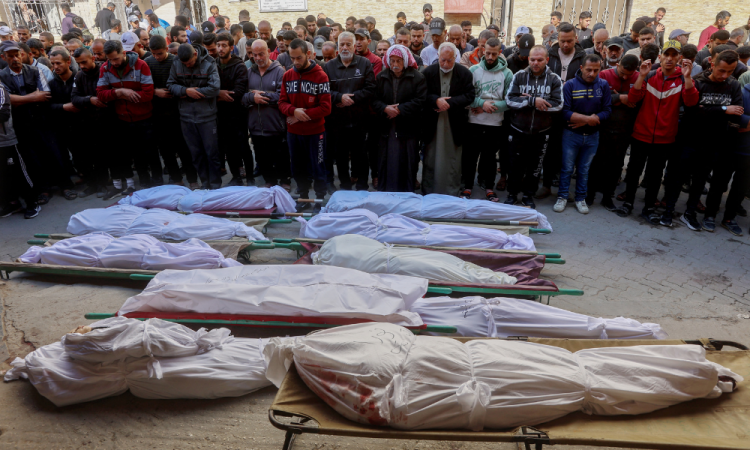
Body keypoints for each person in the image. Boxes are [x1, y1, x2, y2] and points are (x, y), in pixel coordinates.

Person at [614, 40, 698, 222]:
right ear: (660, 57)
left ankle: (649, 207)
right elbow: (633, 98)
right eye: (666, 55)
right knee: (634, 171)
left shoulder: (683, 79)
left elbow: (691, 103)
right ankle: (628, 202)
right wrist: (641, 76)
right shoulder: (649, 75)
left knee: (655, 175)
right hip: (640, 134)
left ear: (679, 58)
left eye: (673, 55)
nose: (669, 58)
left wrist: (689, 77)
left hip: (665, 138)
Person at [660, 49, 743, 230]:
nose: (725, 75)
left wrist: (711, 110)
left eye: (730, 71)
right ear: (712, 65)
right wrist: (722, 110)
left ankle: (689, 214)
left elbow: (737, 112)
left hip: (714, 142)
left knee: (700, 180)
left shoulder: (734, 85)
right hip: (688, 139)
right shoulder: (697, 81)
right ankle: (668, 212)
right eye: (722, 70)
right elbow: (692, 110)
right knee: (678, 177)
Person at [97, 39, 162, 196]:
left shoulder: (141, 65)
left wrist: (116, 93)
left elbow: (147, 94)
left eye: (116, 58)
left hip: (145, 118)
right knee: (136, 153)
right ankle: (144, 180)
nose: (114, 62)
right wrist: (120, 92)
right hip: (123, 119)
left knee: (151, 152)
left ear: (123, 53)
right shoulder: (105, 68)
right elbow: (101, 94)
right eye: (110, 59)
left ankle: (158, 181)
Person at [504, 45, 563, 209]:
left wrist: (534, 101)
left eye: (540, 59)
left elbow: (559, 105)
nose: (535, 63)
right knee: (515, 165)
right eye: (532, 59)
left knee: (535, 167)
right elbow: (509, 100)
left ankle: (528, 196)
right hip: (518, 130)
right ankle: (512, 194)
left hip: (541, 132)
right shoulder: (519, 76)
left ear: (547, 60)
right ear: (528, 59)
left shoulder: (554, 79)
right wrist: (532, 101)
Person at [554, 53, 611, 214]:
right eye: (588, 70)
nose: (591, 74)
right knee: (566, 168)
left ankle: (580, 198)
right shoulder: (570, 85)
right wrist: (588, 119)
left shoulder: (603, 85)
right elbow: (564, 112)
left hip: (593, 136)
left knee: (584, 169)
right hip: (571, 134)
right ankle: (563, 196)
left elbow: (607, 110)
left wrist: (590, 120)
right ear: (581, 68)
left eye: (595, 70)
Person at [278, 38, 332, 203]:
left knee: (318, 168)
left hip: (315, 133)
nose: (295, 62)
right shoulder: (288, 75)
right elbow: (281, 102)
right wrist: (293, 111)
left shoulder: (321, 76)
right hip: (294, 133)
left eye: (298, 58)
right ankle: (303, 198)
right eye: (292, 58)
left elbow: (326, 108)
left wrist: (301, 114)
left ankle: (320, 200)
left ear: (308, 54)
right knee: (297, 168)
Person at [461, 37, 514, 201]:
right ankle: (467, 187)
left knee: (490, 158)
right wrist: (481, 103)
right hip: (473, 122)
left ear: (500, 52)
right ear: (483, 50)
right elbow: (467, 96)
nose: (490, 57)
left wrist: (492, 107)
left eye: (494, 54)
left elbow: (510, 100)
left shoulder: (507, 73)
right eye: (488, 53)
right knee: (470, 157)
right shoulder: (473, 70)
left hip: (495, 124)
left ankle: (489, 187)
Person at [323, 31, 376, 192]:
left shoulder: (365, 64)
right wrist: (339, 97)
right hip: (337, 121)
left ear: (354, 46)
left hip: (360, 119)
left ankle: (362, 186)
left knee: (361, 155)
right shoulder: (328, 67)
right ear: (337, 46)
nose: (345, 48)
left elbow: (371, 88)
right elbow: (324, 91)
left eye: (348, 44)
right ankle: (345, 186)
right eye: (342, 45)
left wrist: (351, 99)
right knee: (341, 156)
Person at [538, 23, 586, 199]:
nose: (565, 45)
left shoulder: (583, 57)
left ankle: (565, 191)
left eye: (569, 41)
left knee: (569, 150)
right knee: (549, 149)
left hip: (573, 110)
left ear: (576, 39)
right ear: (557, 39)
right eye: (562, 41)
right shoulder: (549, 54)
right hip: (551, 109)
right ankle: (546, 185)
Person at [586, 54, 639, 210]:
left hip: (624, 130)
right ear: (618, 65)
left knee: (616, 166)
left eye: (628, 75)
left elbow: (636, 101)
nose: (624, 76)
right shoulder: (604, 75)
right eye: (622, 72)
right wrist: (620, 98)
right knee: (596, 163)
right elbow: (597, 99)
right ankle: (589, 195)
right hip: (603, 127)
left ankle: (608, 197)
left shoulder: (638, 78)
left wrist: (615, 98)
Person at [144, 36, 198, 189]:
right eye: (153, 53)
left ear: (166, 49)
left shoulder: (176, 61)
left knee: (184, 149)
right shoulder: (147, 63)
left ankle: (193, 180)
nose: (157, 57)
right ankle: (176, 181)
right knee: (166, 151)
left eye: (160, 53)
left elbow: (186, 84)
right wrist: (155, 92)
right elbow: (144, 87)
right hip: (158, 115)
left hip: (178, 114)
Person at [421, 42, 474, 196]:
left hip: (454, 123)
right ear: (438, 57)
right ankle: (429, 190)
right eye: (442, 60)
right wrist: (436, 100)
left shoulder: (464, 73)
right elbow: (422, 95)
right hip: (433, 122)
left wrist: (450, 103)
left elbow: (470, 96)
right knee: (431, 158)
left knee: (452, 160)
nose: (445, 64)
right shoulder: (428, 72)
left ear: (455, 57)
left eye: (449, 60)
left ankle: (451, 191)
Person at [372, 44, 426, 192]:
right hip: (386, 126)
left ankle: (406, 192)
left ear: (405, 61)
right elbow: (374, 100)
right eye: (392, 61)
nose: (395, 65)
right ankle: (386, 191)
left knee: (408, 160)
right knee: (386, 159)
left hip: (408, 127)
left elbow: (420, 101)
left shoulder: (417, 77)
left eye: (398, 61)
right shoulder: (381, 77)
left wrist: (400, 109)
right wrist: (385, 108)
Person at [167, 43, 221, 189]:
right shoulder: (176, 62)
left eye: (190, 62)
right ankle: (204, 183)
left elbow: (215, 88)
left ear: (195, 54)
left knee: (212, 153)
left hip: (207, 116)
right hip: (186, 117)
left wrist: (194, 93)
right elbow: (170, 85)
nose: (188, 66)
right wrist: (186, 91)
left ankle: (215, 185)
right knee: (196, 154)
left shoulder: (209, 63)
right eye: (185, 64)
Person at [243, 40, 289, 189]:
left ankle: (284, 181)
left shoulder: (279, 72)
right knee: (262, 157)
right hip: (256, 126)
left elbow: (283, 96)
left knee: (280, 156)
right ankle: (269, 180)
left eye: (261, 54)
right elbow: (242, 97)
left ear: (268, 51)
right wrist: (252, 97)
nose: (257, 58)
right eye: (254, 55)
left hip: (275, 124)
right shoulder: (249, 72)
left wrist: (261, 96)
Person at [69, 47, 110, 197]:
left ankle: (104, 184)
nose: (82, 66)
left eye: (84, 62)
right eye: (79, 63)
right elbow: (74, 98)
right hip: (87, 122)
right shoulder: (79, 76)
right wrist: (89, 100)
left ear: (93, 58)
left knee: (102, 156)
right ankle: (93, 184)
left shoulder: (104, 72)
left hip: (105, 121)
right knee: (88, 156)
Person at [0, 77, 40, 218]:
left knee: (20, 172)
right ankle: (12, 203)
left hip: (7, 140)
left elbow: (3, 113)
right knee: (3, 175)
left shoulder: (0, 88)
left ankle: (32, 202)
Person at [214, 33, 250, 186]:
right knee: (228, 148)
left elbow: (238, 92)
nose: (220, 49)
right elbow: (209, 89)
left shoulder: (239, 66)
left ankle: (250, 177)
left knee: (243, 146)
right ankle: (236, 176)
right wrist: (218, 94)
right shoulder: (213, 64)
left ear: (231, 47)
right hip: (220, 114)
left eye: (224, 45)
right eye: (218, 45)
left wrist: (218, 95)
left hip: (238, 113)